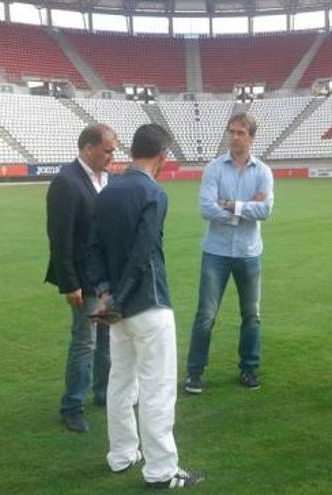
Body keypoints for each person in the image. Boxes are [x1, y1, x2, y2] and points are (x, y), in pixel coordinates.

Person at [88, 124, 204, 489]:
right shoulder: (153, 192)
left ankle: (122, 454)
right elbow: (143, 253)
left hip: (117, 309)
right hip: (148, 305)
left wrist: (107, 295)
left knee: (121, 382)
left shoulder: (107, 192)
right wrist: (119, 299)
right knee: (157, 388)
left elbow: (92, 249)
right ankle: (161, 470)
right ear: (163, 155)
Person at [184, 113, 274, 394]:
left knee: (252, 315)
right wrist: (245, 209)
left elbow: (266, 210)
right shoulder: (214, 169)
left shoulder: (263, 171)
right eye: (231, 131)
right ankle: (195, 372)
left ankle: (248, 369)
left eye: (241, 133)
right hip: (217, 252)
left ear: (251, 137)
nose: (234, 137)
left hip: (249, 252)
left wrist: (231, 206)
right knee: (206, 315)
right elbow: (206, 208)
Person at [45, 124, 115, 433]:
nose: (112, 156)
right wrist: (69, 283)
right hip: (82, 281)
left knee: (106, 338)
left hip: (106, 278)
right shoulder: (66, 182)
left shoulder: (106, 179)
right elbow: (60, 239)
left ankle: (103, 392)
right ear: (88, 148)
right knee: (84, 342)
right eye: (107, 150)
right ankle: (72, 405)